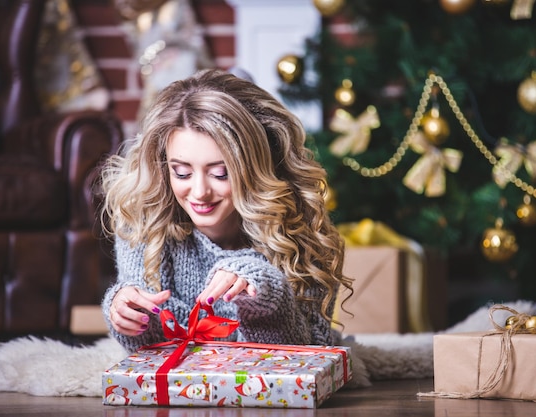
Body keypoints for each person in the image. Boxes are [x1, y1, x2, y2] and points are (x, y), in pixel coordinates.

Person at [99, 68, 353, 353]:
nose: (199, 192)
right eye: (181, 173)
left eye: (221, 174)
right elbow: (150, 353)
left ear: (257, 169)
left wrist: (263, 295)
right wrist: (125, 313)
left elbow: (309, 355)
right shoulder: (146, 222)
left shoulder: (302, 234)